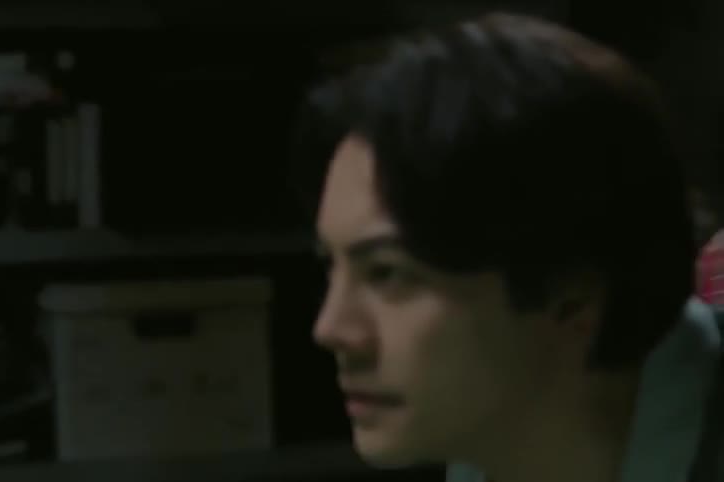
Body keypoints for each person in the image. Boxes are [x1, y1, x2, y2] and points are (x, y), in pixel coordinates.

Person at [290, 12, 722, 482]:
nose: (330, 329)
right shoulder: (490, 435)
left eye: (386, 273)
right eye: (331, 268)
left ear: (570, 293)